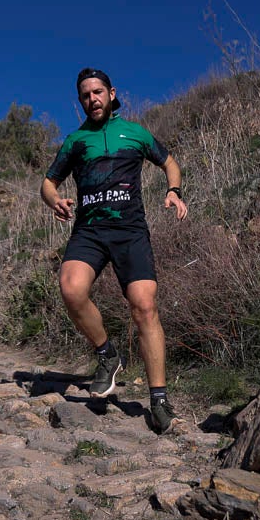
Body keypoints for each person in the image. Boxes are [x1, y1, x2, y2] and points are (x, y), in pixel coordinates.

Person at [41, 68, 189, 434]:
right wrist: (54, 200)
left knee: (145, 307)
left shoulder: (135, 133)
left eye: (97, 92)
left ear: (111, 93)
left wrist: (173, 190)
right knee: (71, 288)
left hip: (130, 231)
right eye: (85, 96)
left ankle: (158, 401)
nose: (92, 99)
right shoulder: (76, 141)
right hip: (89, 231)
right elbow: (48, 181)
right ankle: (107, 355)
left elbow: (169, 162)